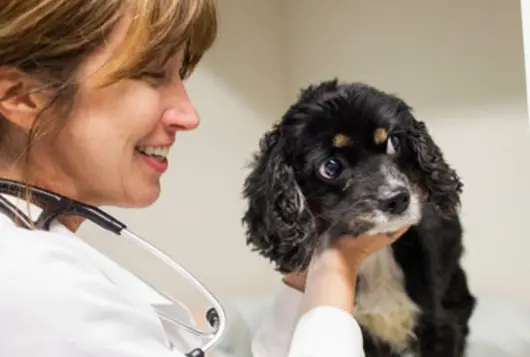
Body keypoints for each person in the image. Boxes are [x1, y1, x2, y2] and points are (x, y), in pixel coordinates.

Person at [0, 1, 409, 356]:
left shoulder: (45, 258)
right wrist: (338, 269)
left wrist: (311, 277)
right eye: (152, 74)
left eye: (181, 76)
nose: (189, 115)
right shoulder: (32, 288)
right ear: (21, 96)